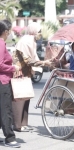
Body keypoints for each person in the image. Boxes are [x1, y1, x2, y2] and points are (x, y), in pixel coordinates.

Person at [12, 22, 44, 132]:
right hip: (19, 72)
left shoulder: (31, 41)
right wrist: (44, 63)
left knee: (26, 98)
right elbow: (28, 60)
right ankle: (17, 125)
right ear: (33, 31)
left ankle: (24, 124)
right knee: (19, 99)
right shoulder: (25, 42)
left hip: (26, 72)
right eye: (39, 31)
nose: (40, 34)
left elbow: (33, 58)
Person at [0, 20, 21, 148]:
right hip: (3, 81)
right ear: (5, 32)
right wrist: (13, 68)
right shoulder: (1, 43)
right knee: (6, 110)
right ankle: (10, 138)